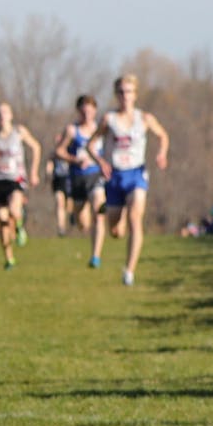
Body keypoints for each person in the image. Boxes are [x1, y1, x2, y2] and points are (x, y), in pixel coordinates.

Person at [87, 75, 171, 285]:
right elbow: (90, 144)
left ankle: (129, 271)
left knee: (136, 218)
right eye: (122, 92)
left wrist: (161, 154)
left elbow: (163, 136)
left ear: (135, 94)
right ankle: (119, 215)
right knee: (115, 231)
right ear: (116, 95)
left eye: (129, 92)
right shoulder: (109, 119)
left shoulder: (144, 118)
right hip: (114, 176)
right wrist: (101, 162)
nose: (126, 96)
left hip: (136, 174)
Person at [0, 101, 42, 270]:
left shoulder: (19, 131)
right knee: (2, 220)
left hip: (15, 179)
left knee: (14, 209)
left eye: (5, 112)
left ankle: (19, 227)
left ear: (11, 115)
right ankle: (9, 258)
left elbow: (36, 147)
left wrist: (33, 172)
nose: (2, 115)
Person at [53, 95, 104, 260]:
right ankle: (79, 216)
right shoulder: (72, 130)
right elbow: (59, 151)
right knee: (83, 224)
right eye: (83, 111)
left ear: (95, 111)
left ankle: (95, 256)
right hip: (77, 178)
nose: (87, 114)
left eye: (90, 110)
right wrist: (75, 160)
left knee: (99, 211)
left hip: (96, 175)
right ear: (78, 111)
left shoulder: (101, 129)